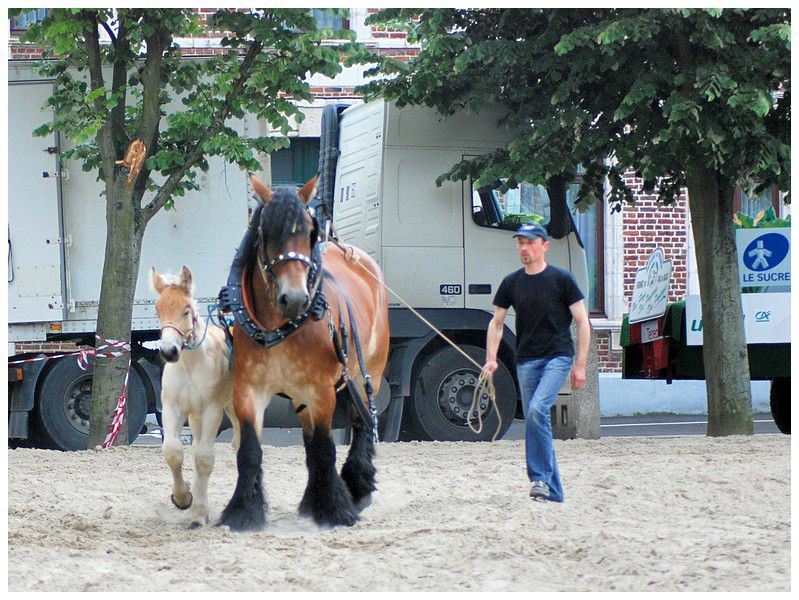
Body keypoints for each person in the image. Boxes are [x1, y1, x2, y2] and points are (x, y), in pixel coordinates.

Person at [483, 222, 590, 502]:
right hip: (526, 359)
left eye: (530, 243)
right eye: (520, 243)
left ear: (544, 246)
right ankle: (553, 492)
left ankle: (539, 478)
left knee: (536, 411)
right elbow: (496, 323)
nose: (524, 248)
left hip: (558, 356)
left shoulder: (562, 279)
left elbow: (582, 321)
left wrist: (580, 365)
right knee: (536, 420)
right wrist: (491, 358)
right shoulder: (512, 282)